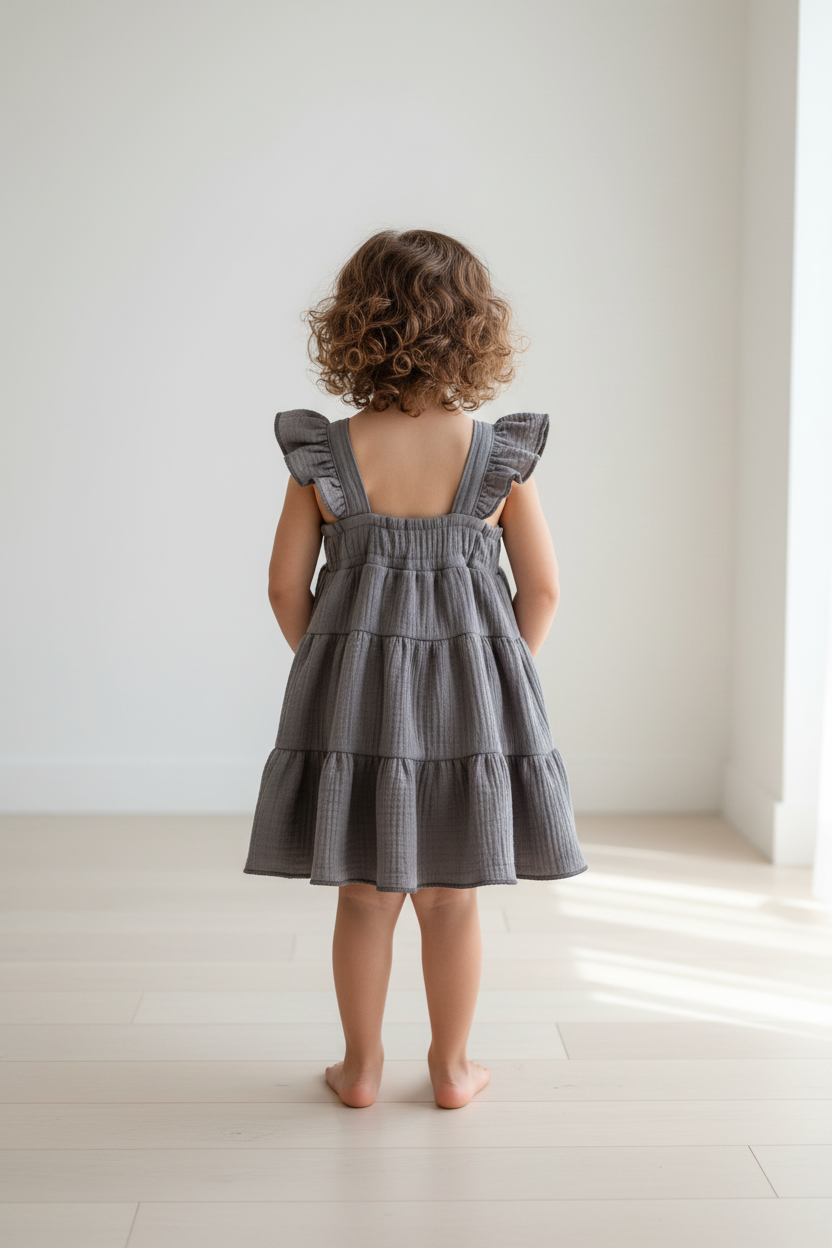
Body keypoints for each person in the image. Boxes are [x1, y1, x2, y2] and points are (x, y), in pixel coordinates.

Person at [244, 228, 588, 1111]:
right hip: (471, 705)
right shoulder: (497, 458)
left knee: (363, 896)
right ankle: (451, 1068)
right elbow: (543, 591)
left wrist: (333, 666)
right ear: (477, 331)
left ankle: (359, 1070)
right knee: (453, 898)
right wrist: (496, 678)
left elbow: (286, 588)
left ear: (353, 326)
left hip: (353, 707)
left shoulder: (324, 456)